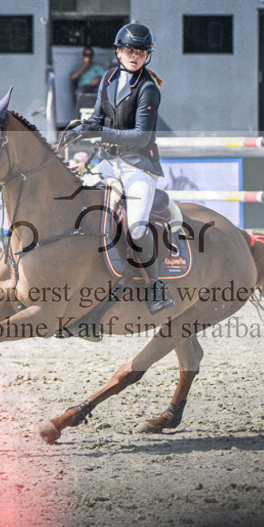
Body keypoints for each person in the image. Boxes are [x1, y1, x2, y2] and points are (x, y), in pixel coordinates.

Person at [72, 23, 173, 314]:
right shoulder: (107, 78)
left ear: (146, 56)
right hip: (108, 162)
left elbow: (142, 135)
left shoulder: (148, 89)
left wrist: (101, 133)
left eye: (141, 52)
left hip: (138, 165)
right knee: (76, 204)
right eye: (129, 50)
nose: (135, 55)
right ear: (118, 51)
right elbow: (98, 118)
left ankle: (155, 286)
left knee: (136, 226)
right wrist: (82, 127)